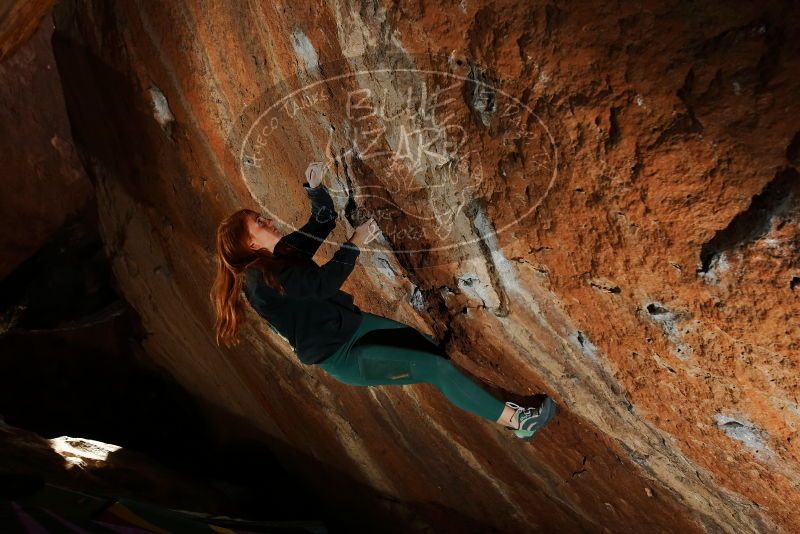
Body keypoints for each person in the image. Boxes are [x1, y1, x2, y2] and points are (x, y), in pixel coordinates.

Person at [210, 161, 557, 441]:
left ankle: (498, 404)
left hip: (355, 327)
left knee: (433, 350)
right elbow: (321, 284)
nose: (265, 219)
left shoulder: (283, 252)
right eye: (257, 222)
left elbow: (322, 220)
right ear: (251, 244)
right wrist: (356, 242)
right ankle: (518, 422)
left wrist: (315, 188)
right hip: (344, 355)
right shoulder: (260, 281)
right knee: (436, 368)